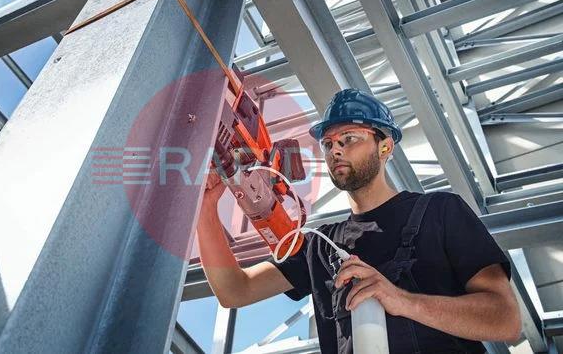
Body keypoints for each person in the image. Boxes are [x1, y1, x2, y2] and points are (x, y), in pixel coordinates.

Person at [197, 88, 521, 353]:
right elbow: (235, 290)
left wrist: (402, 301)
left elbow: (505, 320)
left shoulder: (440, 212)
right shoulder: (320, 247)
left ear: (385, 147)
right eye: (328, 144)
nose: (335, 150)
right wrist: (205, 209)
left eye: (349, 138)